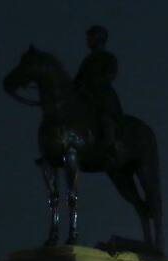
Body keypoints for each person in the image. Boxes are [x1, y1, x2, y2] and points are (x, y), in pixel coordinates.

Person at [74, 25, 124, 162]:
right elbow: (78, 80)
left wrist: (94, 83)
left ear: (99, 39)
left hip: (103, 97)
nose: (88, 40)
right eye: (88, 37)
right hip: (86, 96)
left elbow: (110, 74)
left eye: (91, 37)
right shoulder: (87, 60)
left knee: (106, 118)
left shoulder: (108, 57)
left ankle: (111, 147)